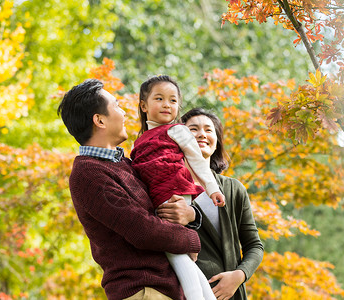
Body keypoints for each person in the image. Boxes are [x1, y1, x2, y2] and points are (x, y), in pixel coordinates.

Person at [57, 79, 202, 300]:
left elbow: (160, 206)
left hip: (166, 289)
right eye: (117, 106)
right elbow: (142, 230)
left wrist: (191, 214)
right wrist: (192, 240)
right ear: (99, 120)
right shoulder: (88, 174)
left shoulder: (125, 163)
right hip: (142, 291)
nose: (124, 113)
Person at [130, 75, 224, 300]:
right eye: (159, 98)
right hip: (158, 197)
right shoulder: (140, 140)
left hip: (175, 193)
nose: (166, 105)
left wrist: (212, 189)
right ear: (144, 105)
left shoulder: (178, 130)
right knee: (178, 254)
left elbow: (198, 161)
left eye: (173, 101)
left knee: (176, 255)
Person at [159, 108, 264, 300]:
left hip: (232, 295)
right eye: (193, 129)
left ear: (217, 143)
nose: (202, 134)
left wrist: (238, 276)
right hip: (185, 293)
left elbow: (254, 245)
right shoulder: (166, 187)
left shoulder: (233, 189)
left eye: (209, 130)